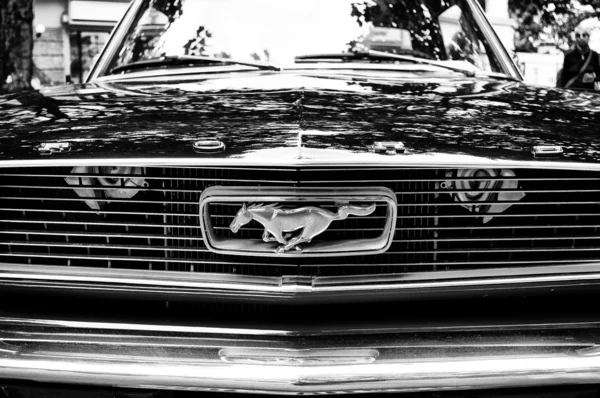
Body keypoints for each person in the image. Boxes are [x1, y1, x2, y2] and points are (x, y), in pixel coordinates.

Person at [558, 25, 600, 90]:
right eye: (578, 35)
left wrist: (593, 78)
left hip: (588, 95)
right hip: (571, 95)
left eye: (584, 35)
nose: (581, 37)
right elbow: (563, 78)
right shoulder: (569, 56)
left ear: (588, 37)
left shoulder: (594, 55)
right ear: (576, 38)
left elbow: (599, 75)